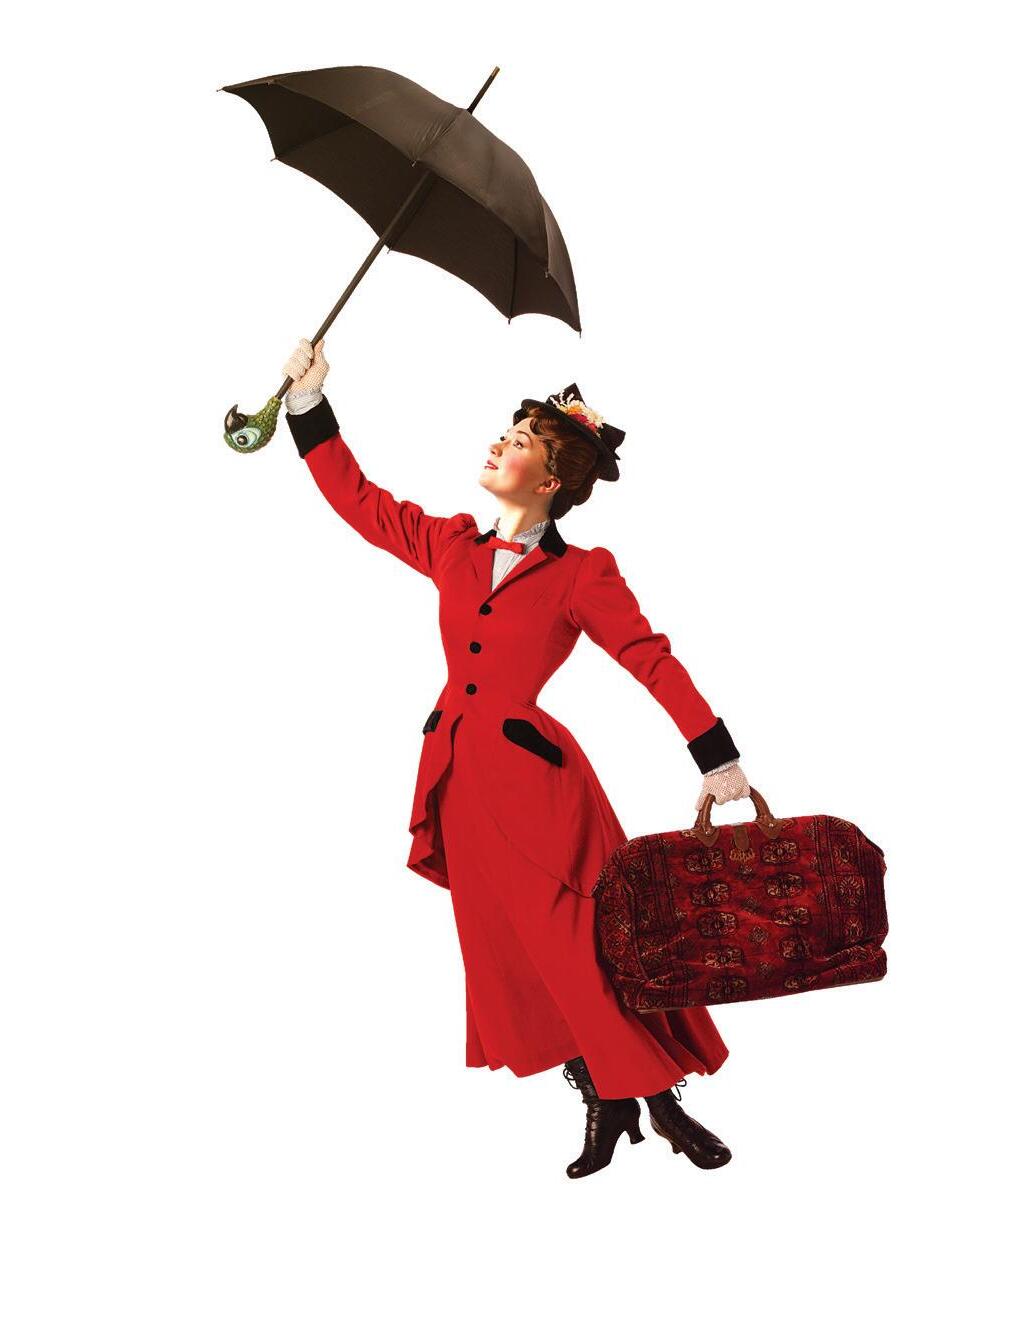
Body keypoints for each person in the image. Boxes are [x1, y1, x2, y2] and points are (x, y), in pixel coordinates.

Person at [281, 336, 753, 1179]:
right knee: (515, 957)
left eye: (523, 439)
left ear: (550, 481)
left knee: (587, 951)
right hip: (458, 783)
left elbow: (649, 656)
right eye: (508, 429)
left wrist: (715, 756)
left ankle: (664, 1105)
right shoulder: (452, 545)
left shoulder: (583, 574)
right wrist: (309, 404)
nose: (501, 441)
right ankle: (602, 1098)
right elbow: (361, 501)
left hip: (542, 795)